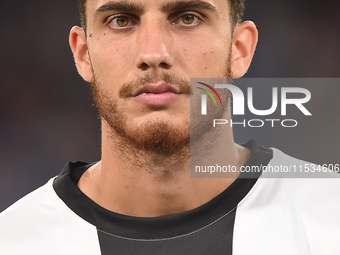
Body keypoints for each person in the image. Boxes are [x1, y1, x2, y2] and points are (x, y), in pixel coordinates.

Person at [0, 0, 339, 254]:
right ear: (84, 54)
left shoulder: (329, 218)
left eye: (187, 18)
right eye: (121, 20)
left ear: (239, 49)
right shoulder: (14, 242)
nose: (153, 53)